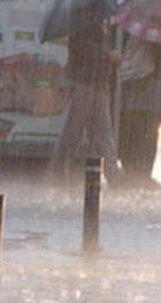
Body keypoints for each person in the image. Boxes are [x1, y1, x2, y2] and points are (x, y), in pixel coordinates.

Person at [51, 19, 120, 181]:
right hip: (84, 85)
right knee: (73, 133)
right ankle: (58, 173)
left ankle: (113, 175)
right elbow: (82, 47)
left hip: (98, 86)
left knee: (103, 134)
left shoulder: (103, 25)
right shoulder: (82, 22)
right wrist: (108, 54)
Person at [118, 37, 161, 189]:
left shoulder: (133, 35)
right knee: (148, 135)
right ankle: (141, 174)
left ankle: (135, 173)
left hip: (135, 91)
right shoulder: (159, 39)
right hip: (150, 92)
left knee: (135, 133)